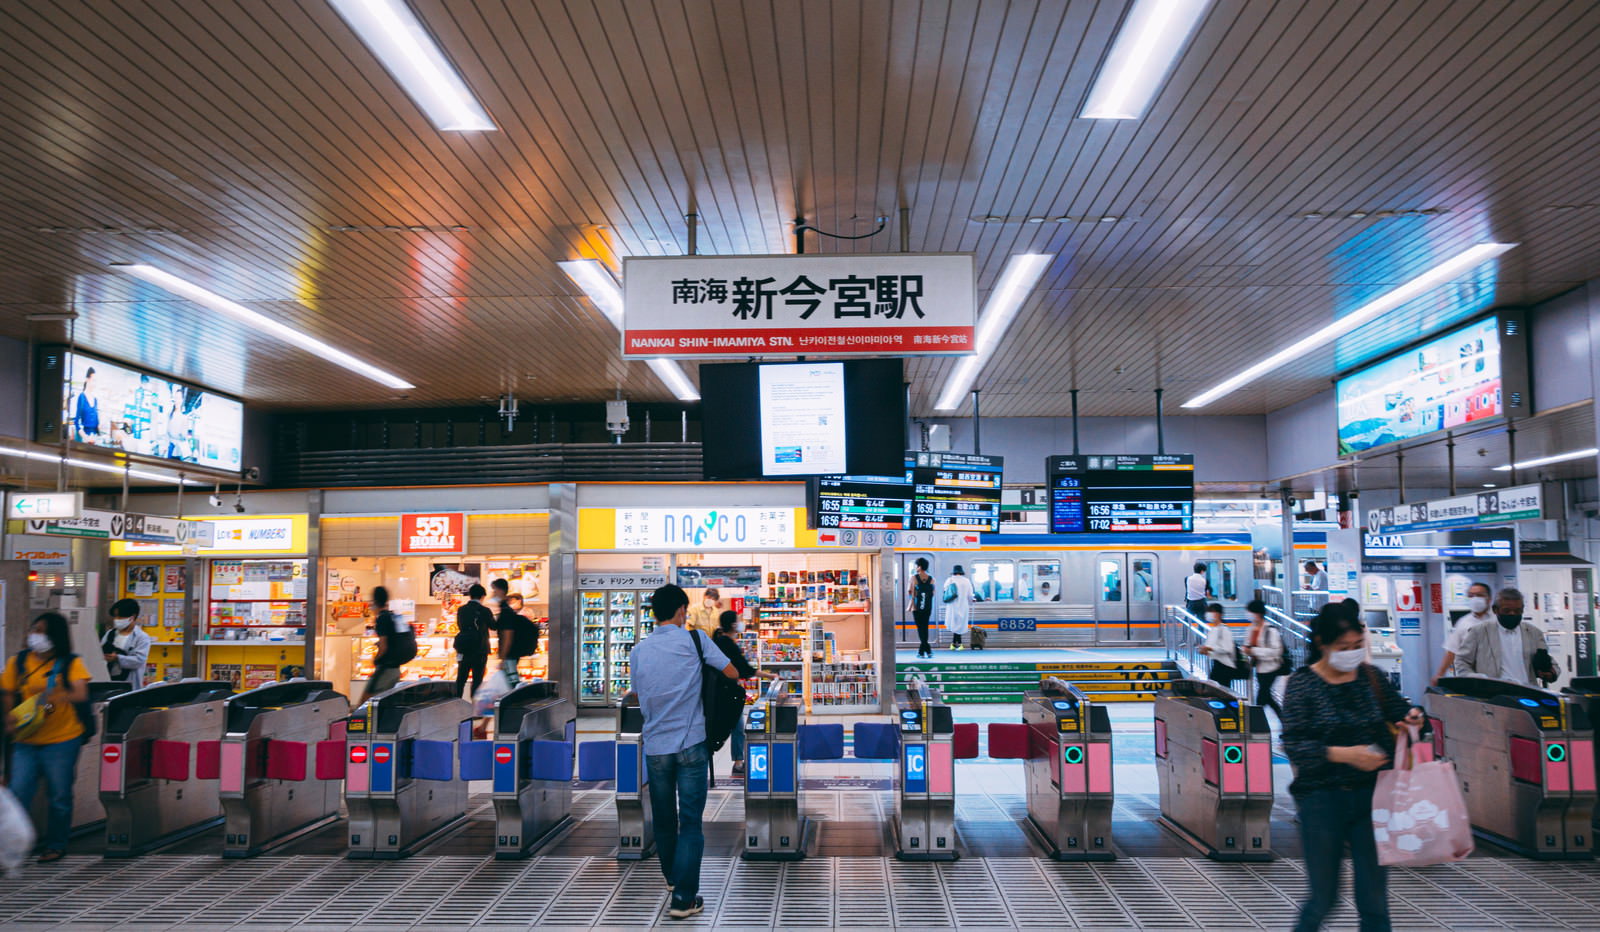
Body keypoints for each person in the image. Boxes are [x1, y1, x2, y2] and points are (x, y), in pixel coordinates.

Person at [1283, 606, 1427, 932]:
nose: (1352, 654)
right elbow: (1295, 745)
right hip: (1322, 800)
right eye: (1343, 648)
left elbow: (1402, 710)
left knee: (1374, 900)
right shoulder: (1303, 684)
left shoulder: (1370, 677)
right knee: (1323, 898)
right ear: (1322, 642)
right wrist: (1346, 755)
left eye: (1357, 646)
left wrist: (1415, 716)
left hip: (1374, 799)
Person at [630, 584, 739, 920]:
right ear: (680, 611)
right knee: (690, 822)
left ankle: (672, 878)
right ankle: (684, 898)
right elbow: (731, 672)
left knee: (664, 818)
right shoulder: (694, 640)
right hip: (691, 742)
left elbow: (638, 692)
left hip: (656, 746)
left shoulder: (639, 650)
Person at [1, 612, 92, 863]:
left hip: (62, 739)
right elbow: (7, 691)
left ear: (55, 636)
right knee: (18, 793)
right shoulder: (18, 662)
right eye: (34, 629)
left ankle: (56, 845)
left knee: (59, 795)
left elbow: (81, 692)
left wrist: (56, 698)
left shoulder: (70, 662)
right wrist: (9, 715)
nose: (35, 635)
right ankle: (13, 848)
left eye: (41, 630)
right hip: (25, 739)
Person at [711, 610, 776, 777]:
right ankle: (737, 762)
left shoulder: (719, 641)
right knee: (736, 726)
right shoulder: (727, 643)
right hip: (727, 693)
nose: (741, 623)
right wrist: (769, 675)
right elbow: (744, 669)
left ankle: (738, 762)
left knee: (735, 726)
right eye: (738, 620)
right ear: (733, 624)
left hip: (719, 691)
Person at [1454, 587, 1556, 686]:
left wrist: (1551, 673)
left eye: (1517, 611)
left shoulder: (1534, 633)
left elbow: (1549, 661)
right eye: (1507, 611)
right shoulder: (1479, 632)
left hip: (1528, 693)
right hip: (1493, 695)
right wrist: (1473, 678)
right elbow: (1462, 660)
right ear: (1495, 610)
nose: (1512, 614)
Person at [357, 587, 414, 704]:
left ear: (375, 602)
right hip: (396, 669)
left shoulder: (382, 618)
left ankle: (367, 722)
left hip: (385, 669)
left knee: (366, 701)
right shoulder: (395, 616)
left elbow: (384, 646)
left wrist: (375, 659)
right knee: (386, 701)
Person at [1434, 582, 1493, 684]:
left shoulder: (1498, 620)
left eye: (1479, 595)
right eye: (1471, 596)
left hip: (1496, 677)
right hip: (1470, 678)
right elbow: (1451, 651)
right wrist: (1439, 675)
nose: (1475, 599)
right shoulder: (1463, 622)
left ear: (1489, 599)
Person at [1241, 599, 1284, 718]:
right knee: (1267, 697)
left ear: (1257, 613)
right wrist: (1246, 651)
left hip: (1271, 668)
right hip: (1259, 668)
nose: (1248, 614)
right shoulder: (1251, 629)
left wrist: (1253, 651)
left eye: (1250, 612)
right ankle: (1284, 721)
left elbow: (1276, 651)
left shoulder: (1270, 630)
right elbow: (1248, 645)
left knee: (1262, 698)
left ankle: (1255, 722)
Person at [101, 598, 152, 690]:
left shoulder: (141, 637)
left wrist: (117, 658)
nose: (116, 620)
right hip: (109, 680)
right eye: (115, 616)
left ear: (132, 617)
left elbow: (139, 660)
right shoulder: (110, 634)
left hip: (129, 684)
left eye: (120, 617)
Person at [493, 581, 538, 683]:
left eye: (494, 590)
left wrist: (503, 656)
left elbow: (508, 635)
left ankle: (515, 697)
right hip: (513, 652)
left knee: (512, 680)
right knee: (511, 679)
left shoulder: (506, 611)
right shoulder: (506, 610)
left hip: (510, 653)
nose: (493, 593)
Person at [453, 584, 493, 698]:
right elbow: (494, 626)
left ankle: (457, 704)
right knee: (477, 680)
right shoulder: (485, 610)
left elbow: (460, 626)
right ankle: (475, 708)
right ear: (483, 596)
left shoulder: (461, 610)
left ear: (470, 595)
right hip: (480, 649)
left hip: (464, 648)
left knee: (461, 679)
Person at [1198, 603, 1242, 686]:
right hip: (1217, 665)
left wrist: (1210, 649)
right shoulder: (1213, 630)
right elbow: (1211, 648)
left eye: (1211, 611)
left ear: (1219, 614)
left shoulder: (1224, 630)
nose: (1208, 614)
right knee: (1217, 691)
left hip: (1224, 667)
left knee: (1221, 692)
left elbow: (1227, 648)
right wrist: (1205, 651)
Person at [941, 565, 975, 650]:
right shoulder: (967, 581)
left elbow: (945, 591)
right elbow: (970, 595)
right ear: (961, 572)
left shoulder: (949, 580)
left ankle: (955, 644)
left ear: (954, 572)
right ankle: (958, 644)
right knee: (960, 625)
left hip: (952, 605)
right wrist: (973, 600)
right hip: (963, 605)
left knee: (954, 624)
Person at [908, 558, 935, 658]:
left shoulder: (913, 578)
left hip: (916, 607)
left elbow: (910, 592)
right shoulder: (932, 578)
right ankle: (926, 651)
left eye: (916, 565)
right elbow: (933, 593)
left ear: (919, 566)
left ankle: (924, 650)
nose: (915, 567)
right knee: (925, 627)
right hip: (928, 607)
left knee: (920, 628)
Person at [73, 366, 100, 442]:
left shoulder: (95, 400)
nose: (95, 383)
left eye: (96, 381)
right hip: (83, 439)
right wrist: (85, 437)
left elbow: (96, 423)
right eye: (93, 380)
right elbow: (77, 422)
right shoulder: (81, 397)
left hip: (94, 438)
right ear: (87, 379)